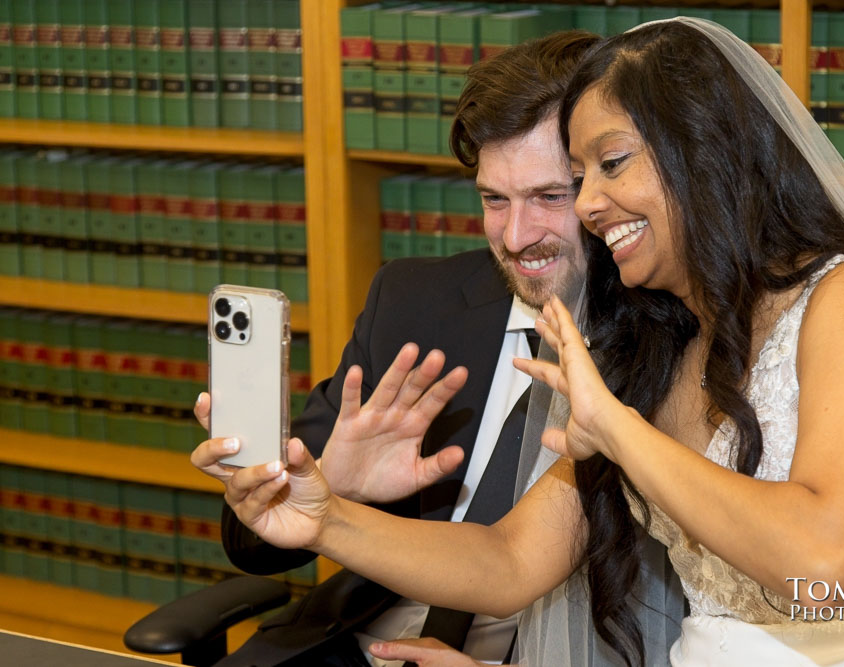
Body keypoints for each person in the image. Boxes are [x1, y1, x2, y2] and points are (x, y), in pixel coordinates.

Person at [200, 17, 844, 667]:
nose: (588, 204)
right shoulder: (663, 346)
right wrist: (327, 518)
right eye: (578, 177)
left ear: (705, 153)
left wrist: (614, 425)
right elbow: (512, 561)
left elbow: (822, 567)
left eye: (606, 165)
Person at [191, 30, 682, 667]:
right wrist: (335, 489)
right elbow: (250, 544)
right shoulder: (412, 301)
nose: (516, 236)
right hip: (358, 644)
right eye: (493, 199)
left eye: (549, 197)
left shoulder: (670, 345)